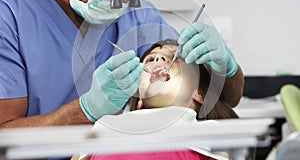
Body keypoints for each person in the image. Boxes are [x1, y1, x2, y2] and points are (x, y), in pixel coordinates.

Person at [0, 0, 243, 156]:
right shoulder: (9, 18)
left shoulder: (140, 15)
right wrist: (86, 110)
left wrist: (226, 67)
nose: (123, 5)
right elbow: (4, 137)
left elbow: (226, 99)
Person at [73, 39, 243, 160]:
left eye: (175, 58)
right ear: (138, 99)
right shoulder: (105, 125)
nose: (158, 59)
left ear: (199, 94)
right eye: (150, 59)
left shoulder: (209, 132)